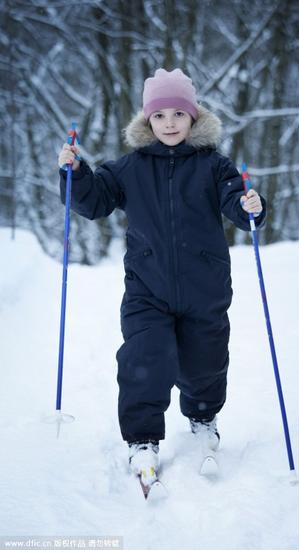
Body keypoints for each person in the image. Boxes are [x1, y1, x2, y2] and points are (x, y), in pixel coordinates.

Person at [58, 68, 266, 484]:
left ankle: (203, 417)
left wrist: (250, 206)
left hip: (204, 288)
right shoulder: (129, 168)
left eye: (178, 114)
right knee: (145, 358)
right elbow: (95, 202)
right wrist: (76, 174)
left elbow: (237, 205)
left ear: (193, 118)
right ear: (147, 121)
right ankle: (142, 440)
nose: (169, 123)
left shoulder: (214, 166)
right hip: (147, 288)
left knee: (204, 361)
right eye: (159, 115)